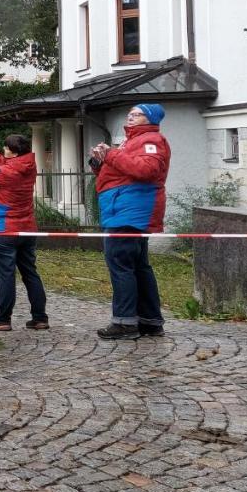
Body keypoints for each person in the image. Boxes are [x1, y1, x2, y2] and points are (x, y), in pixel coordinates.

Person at [91, 104, 171, 340]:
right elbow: (119, 171)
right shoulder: (131, 141)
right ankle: (149, 321)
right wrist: (99, 162)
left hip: (130, 210)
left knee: (121, 264)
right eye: (130, 113)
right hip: (124, 208)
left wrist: (112, 154)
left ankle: (125, 322)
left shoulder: (152, 140)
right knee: (138, 265)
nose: (130, 116)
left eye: (137, 114)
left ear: (150, 119)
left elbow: (146, 170)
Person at [0, 133, 48, 331]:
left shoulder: (7, 172)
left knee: (6, 275)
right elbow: (1, 162)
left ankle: (2, 319)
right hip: (27, 229)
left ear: (12, 152)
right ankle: (40, 318)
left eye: (5, 148)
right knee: (30, 272)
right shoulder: (26, 165)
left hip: (4, 229)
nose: (3, 151)